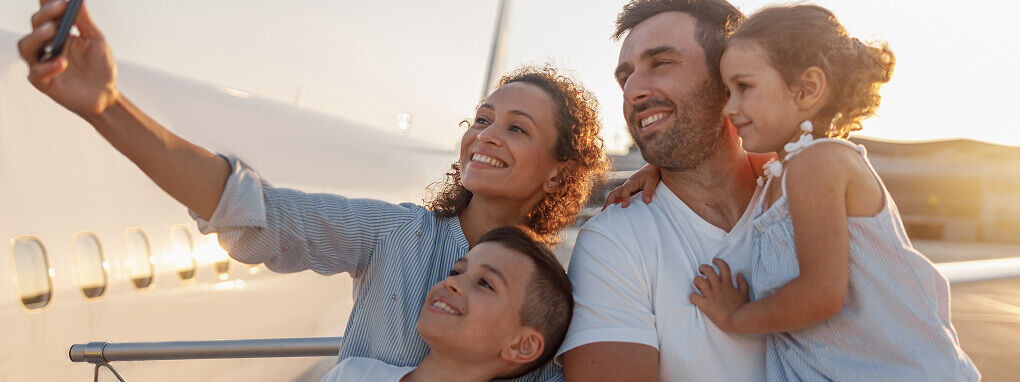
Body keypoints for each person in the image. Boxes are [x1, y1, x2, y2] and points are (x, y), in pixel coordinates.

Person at [17, 2, 607, 381]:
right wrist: (107, 109)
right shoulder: (395, 235)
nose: (486, 136)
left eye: (517, 128)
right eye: (482, 117)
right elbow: (253, 212)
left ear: (560, 173)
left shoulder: (571, 293)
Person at [608, 4, 981, 381]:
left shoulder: (817, 164)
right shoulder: (782, 171)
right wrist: (656, 165)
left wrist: (736, 317)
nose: (730, 106)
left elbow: (821, 293)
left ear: (807, 89)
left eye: (743, 88)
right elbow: (708, 164)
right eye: (726, 90)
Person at [558, 1, 773, 381]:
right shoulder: (615, 240)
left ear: (731, 79)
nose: (633, 90)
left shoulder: (806, 192)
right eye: (625, 77)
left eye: (660, 63)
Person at [321, 226, 573, 382]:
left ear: (522, 345)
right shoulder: (354, 374)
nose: (452, 283)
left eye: (486, 283)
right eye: (456, 271)